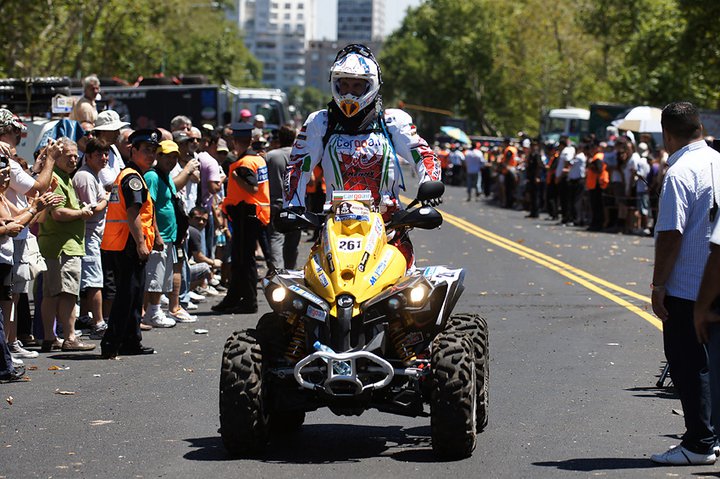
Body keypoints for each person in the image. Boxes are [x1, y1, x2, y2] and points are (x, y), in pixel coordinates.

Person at [283, 43, 441, 269]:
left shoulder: (392, 121)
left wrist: (430, 183)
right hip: (334, 229)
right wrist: (293, 206)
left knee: (411, 294)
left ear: (372, 85)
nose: (349, 92)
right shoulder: (320, 122)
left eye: (357, 86)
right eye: (344, 84)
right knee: (307, 292)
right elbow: (298, 166)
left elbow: (423, 155)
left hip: (389, 230)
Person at [650, 101, 720, 465]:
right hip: (716, 281)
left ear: (667, 134)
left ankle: (698, 444)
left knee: (688, 365)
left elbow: (671, 234)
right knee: (713, 364)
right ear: (699, 127)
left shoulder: (680, 172)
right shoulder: (718, 162)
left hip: (688, 286)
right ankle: (713, 436)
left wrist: (658, 284)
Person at [100, 129, 163, 359]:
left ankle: (130, 341)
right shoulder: (132, 178)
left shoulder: (134, 175)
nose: (151, 155)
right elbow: (133, 212)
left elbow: (145, 211)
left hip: (125, 243)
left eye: (153, 150)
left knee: (134, 296)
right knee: (126, 297)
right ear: (133, 150)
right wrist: (140, 243)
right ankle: (111, 344)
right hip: (127, 244)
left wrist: (155, 236)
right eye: (146, 150)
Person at [38, 138, 96, 352]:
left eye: (75, 155)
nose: (73, 159)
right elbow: (59, 213)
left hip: (57, 245)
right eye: (68, 155)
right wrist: (82, 212)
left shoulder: (63, 177)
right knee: (68, 293)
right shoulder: (56, 178)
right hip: (63, 246)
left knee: (52, 293)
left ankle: (50, 337)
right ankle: (69, 338)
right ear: (57, 157)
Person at [212, 123, 270, 314]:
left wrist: (236, 179)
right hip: (252, 213)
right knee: (240, 259)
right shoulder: (257, 159)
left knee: (245, 259)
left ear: (235, 141)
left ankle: (249, 301)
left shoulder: (244, 163)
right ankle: (234, 297)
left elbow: (252, 188)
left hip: (247, 212)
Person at [72, 138, 110, 338]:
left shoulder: (94, 175)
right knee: (94, 281)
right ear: (88, 156)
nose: (104, 158)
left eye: (106, 154)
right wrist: (105, 200)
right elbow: (91, 210)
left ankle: (85, 316)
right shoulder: (85, 177)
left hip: (94, 235)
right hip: (88, 236)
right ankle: (99, 323)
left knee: (88, 280)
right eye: (99, 155)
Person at [142, 140, 183, 328]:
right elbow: (148, 208)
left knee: (162, 277)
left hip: (171, 236)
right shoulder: (152, 176)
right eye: (168, 156)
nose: (172, 160)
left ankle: (153, 311)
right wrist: (156, 235)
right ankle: (153, 313)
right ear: (158, 156)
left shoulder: (167, 177)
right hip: (159, 236)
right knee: (154, 278)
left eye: (175, 157)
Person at [265, 124, 297, 272]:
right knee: (293, 238)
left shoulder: (270, 156)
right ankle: (290, 270)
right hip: (297, 204)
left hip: (276, 202)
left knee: (276, 237)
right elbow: (310, 180)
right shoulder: (300, 156)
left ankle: (277, 270)